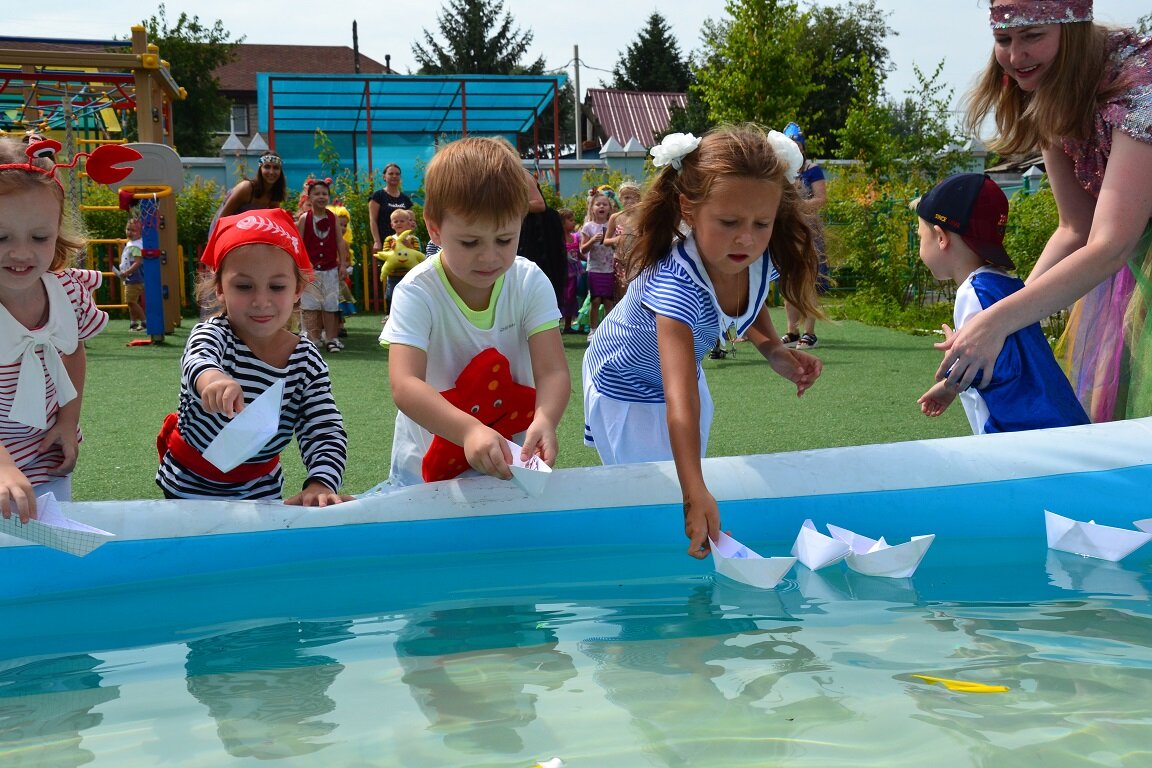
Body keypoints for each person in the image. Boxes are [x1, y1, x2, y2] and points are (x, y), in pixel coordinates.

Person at [582, 125, 823, 559]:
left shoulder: (754, 256)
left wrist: (772, 350)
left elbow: (744, 302)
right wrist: (694, 493)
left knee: (685, 472)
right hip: (626, 382)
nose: (746, 238)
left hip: (680, 373)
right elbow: (680, 401)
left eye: (761, 223)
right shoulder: (677, 287)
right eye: (728, 222)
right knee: (652, 496)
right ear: (688, 210)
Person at [942, 0, 1152, 422]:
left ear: (1071, 33)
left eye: (1033, 36)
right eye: (1003, 40)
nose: (1016, 56)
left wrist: (998, 322)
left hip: (1125, 252)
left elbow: (1111, 244)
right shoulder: (1050, 88)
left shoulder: (1139, 85)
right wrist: (999, 322)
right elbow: (1076, 227)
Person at [381, 136, 570, 487]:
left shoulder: (528, 281)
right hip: (423, 474)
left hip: (509, 463)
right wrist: (468, 430)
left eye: (504, 239)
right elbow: (405, 383)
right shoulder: (417, 290)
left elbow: (553, 370)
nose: (489, 257)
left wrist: (545, 419)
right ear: (434, 227)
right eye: (470, 242)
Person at [155, 208, 349, 505]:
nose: (261, 300)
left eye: (277, 286)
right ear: (220, 288)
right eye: (244, 286)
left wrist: (320, 482)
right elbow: (198, 360)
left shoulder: (306, 361)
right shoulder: (214, 334)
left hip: (260, 490)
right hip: (187, 486)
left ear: (297, 289)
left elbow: (323, 428)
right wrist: (214, 381)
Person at [914, 173, 1089, 433]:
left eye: (920, 236)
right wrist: (952, 381)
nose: (920, 246)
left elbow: (990, 372)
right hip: (1056, 418)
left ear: (941, 237)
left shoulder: (971, 294)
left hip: (1019, 436)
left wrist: (951, 379)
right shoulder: (1007, 285)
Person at [0, 136, 109, 522]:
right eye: (2, 237)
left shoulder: (65, 291)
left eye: (39, 237)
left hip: (45, 455)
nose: (21, 252)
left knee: (49, 549)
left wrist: (68, 420)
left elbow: (72, 351)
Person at [778, 122, 829, 351]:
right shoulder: (781, 172)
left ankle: (809, 333)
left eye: (796, 144)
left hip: (808, 230)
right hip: (788, 231)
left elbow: (820, 199)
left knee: (808, 280)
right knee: (788, 281)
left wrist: (798, 204)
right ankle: (791, 330)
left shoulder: (812, 170)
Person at [296, 178, 349, 353]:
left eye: (324, 194)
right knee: (310, 304)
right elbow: (300, 243)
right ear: (309, 197)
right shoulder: (305, 218)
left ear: (329, 196)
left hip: (330, 269)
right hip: (310, 270)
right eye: (316, 194)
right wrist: (303, 264)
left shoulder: (333, 217)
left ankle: (331, 338)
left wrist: (342, 264)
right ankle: (312, 338)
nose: (321, 197)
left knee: (330, 304)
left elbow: (339, 242)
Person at [580, 189, 617, 335]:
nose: (601, 207)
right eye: (598, 204)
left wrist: (612, 242)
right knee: (595, 301)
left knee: (609, 302)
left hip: (609, 269)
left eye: (605, 204)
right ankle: (593, 330)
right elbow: (582, 250)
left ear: (610, 208)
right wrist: (592, 241)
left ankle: (608, 331)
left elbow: (616, 245)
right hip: (594, 269)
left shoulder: (612, 224)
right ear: (592, 208)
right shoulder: (588, 226)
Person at [214, 153, 287, 223]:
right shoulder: (246, 188)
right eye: (267, 167)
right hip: (226, 229)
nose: (271, 172)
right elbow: (222, 219)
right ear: (260, 169)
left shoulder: (274, 194)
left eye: (276, 168)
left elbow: (274, 221)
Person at [605, 180, 642, 302]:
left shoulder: (643, 216)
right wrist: (617, 239)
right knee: (623, 291)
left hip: (639, 259)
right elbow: (606, 240)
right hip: (621, 260)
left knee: (638, 290)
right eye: (626, 197)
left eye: (633, 197)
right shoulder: (615, 217)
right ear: (620, 199)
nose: (630, 201)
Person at [368, 162, 414, 254]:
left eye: (397, 174)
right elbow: (373, 220)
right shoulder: (378, 196)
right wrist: (377, 241)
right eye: (391, 173)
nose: (394, 176)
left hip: (404, 243)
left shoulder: (405, 199)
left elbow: (411, 221)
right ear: (384, 177)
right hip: (386, 243)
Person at [557, 207, 585, 333]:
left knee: (571, 298)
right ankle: (556, 325)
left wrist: (589, 259)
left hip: (574, 274)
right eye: (570, 220)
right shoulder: (557, 239)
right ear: (562, 222)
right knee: (561, 298)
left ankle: (568, 325)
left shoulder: (575, 237)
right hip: (562, 273)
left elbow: (579, 254)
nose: (573, 222)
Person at [118, 216, 146, 332]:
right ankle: (133, 323)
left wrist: (126, 273)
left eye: (133, 230)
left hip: (134, 277)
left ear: (140, 232)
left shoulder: (135, 245)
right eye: (128, 229)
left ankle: (144, 322)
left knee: (131, 301)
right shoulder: (133, 243)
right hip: (132, 277)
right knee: (131, 301)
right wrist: (123, 247)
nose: (129, 232)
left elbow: (137, 262)